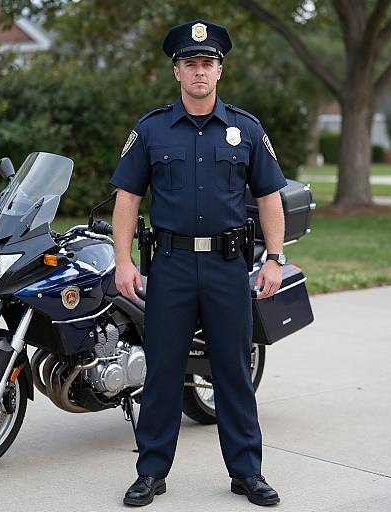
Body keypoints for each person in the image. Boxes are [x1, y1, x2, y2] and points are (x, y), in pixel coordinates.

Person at [109, 19, 287, 507]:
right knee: (163, 370)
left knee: (232, 369)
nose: (199, 72)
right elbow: (127, 198)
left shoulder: (245, 129)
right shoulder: (151, 131)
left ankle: (247, 472)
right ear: (177, 73)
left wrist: (275, 258)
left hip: (229, 268)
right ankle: (151, 472)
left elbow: (270, 196)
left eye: (207, 63)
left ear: (220, 71)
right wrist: (123, 261)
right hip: (170, 267)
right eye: (190, 64)